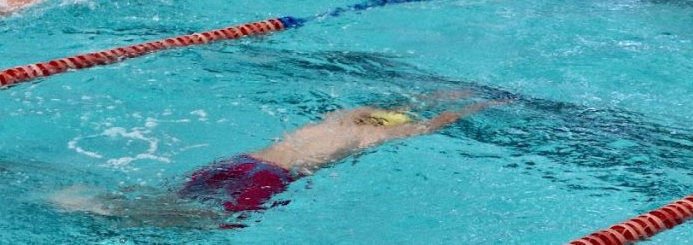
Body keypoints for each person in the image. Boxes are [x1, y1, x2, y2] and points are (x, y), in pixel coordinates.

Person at [53, 94, 507, 227]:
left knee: (180, 195)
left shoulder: (339, 117)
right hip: (275, 175)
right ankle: (125, 217)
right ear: (386, 125)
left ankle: (112, 201)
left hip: (245, 158)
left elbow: (406, 103)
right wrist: (474, 107)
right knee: (211, 223)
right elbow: (432, 124)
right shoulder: (366, 139)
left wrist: (442, 93)